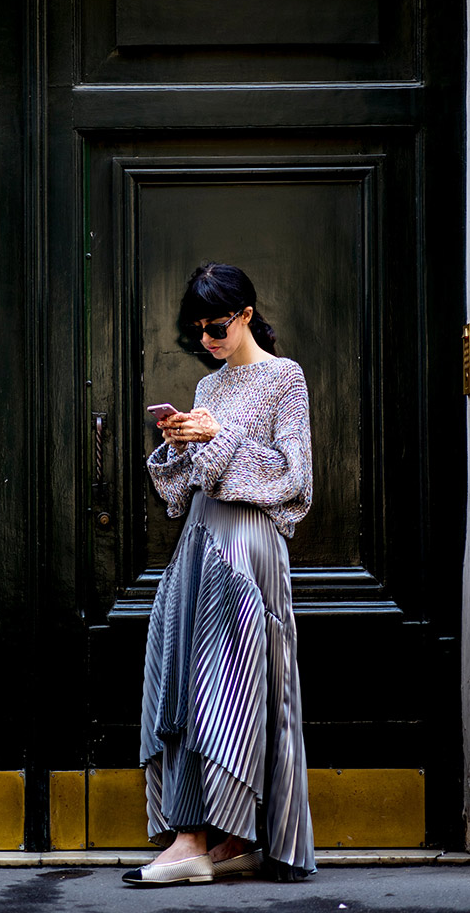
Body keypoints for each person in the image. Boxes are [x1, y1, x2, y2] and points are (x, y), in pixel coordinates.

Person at [122, 262, 315, 888]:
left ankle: (214, 838)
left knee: (228, 694)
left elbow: (295, 480)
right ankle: (207, 838)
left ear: (248, 314)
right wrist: (184, 442)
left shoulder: (285, 378)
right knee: (184, 678)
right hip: (201, 540)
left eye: (217, 324)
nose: (207, 338)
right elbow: (199, 483)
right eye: (198, 329)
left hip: (250, 546)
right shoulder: (209, 389)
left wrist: (220, 434)